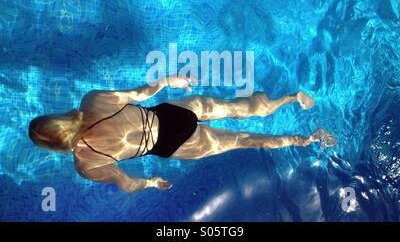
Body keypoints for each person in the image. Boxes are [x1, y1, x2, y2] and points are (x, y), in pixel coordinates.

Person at [28, 76, 336, 193]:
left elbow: (127, 183)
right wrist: (167, 79)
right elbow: (138, 92)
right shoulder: (92, 100)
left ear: (56, 147)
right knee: (242, 108)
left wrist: (150, 182)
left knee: (245, 141)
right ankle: (290, 98)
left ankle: (308, 138)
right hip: (170, 112)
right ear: (56, 118)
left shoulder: (86, 164)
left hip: (174, 143)